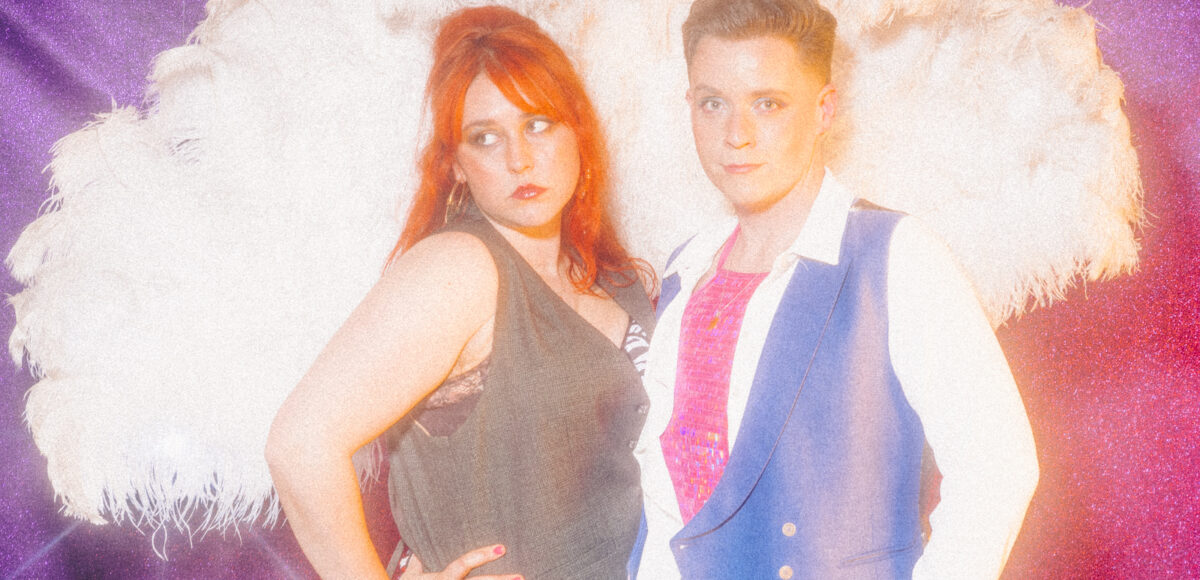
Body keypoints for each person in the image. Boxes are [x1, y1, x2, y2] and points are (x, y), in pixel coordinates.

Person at [630, 0, 1040, 578]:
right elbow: (667, 512)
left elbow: (997, 466)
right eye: (712, 103)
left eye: (768, 103)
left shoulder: (896, 254)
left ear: (824, 110)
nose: (736, 135)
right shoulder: (685, 269)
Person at [266, 6, 655, 579]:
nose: (519, 159)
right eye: (485, 137)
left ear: (578, 130)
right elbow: (299, 445)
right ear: (456, 166)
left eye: (538, 124)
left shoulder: (618, 277)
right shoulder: (461, 269)